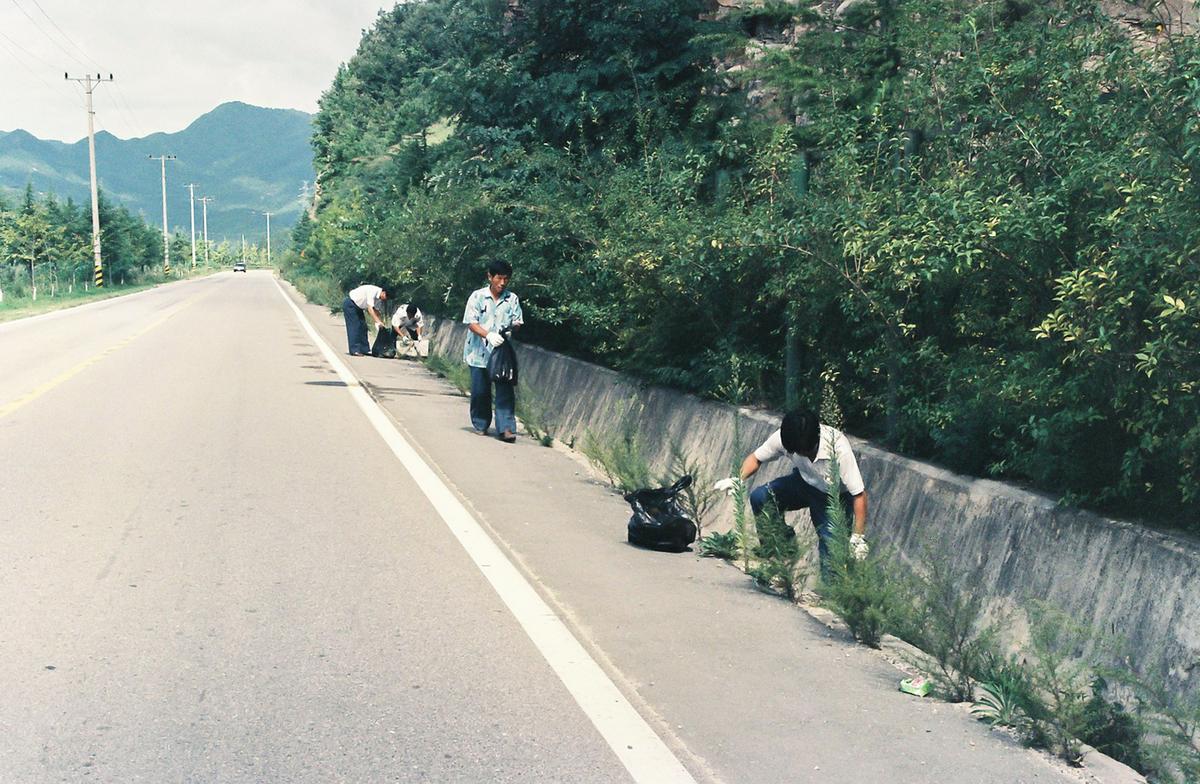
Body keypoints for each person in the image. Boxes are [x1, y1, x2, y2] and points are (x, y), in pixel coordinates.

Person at [715, 409, 869, 577]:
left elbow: (859, 494)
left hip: (834, 498)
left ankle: (833, 592)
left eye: (806, 451)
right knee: (761, 497)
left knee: (832, 549)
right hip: (803, 483)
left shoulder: (838, 448)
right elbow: (756, 458)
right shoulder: (785, 437)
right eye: (796, 452)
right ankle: (782, 548)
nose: (801, 454)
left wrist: (858, 536)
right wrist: (738, 479)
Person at [462, 260, 524, 442]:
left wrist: (513, 328)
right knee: (480, 392)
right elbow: (471, 323)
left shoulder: (511, 299)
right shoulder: (477, 297)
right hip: (479, 352)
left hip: (502, 354)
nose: (502, 283)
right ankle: (481, 423)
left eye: (506, 279)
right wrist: (488, 335)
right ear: (490, 277)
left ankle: (506, 428)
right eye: (499, 278)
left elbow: (518, 320)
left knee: (505, 390)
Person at [343, 283, 387, 356]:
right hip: (351, 304)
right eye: (386, 296)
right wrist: (377, 321)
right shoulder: (373, 291)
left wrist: (380, 322)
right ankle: (354, 350)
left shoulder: (379, 298)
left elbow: (375, 310)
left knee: (363, 327)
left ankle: (364, 349)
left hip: (359, 307)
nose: (385, 299)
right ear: (384, 292)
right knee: (355, 327)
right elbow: (370, 309)